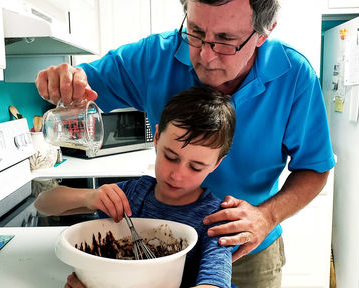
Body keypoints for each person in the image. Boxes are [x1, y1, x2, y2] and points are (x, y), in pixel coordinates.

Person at [35, 0, 335, 286]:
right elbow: (82, 85)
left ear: (263, 32)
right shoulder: (153, 57)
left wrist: (266, 216)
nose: (205, 55)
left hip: (244, 248)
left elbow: (315, 168)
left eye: (226, 39)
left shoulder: (294, 76)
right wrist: (65, 80)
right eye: (195, 32)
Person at [35, 86, 236, 288]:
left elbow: (215, 283)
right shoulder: (133, 194)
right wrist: (89, 197)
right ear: (156, 138)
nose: (177, 175)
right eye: (170, 156)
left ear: (216, 164)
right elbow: (43, 203)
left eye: (196, 167)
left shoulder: (215, 219)